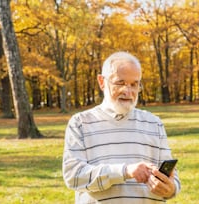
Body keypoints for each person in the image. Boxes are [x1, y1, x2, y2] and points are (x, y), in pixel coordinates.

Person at [62, 51, 180, 203]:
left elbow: (173, 179)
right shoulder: (80, 123)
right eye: (120, 83)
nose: (128, 91)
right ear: (102, 82)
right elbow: (74, 176)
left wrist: (170, 189)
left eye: (134, 84)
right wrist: (125, 171)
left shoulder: (154, 123)